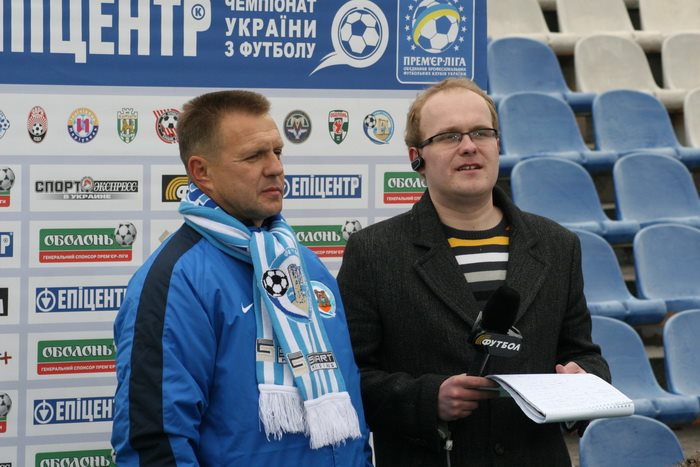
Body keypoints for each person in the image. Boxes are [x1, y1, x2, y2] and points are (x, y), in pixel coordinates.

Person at [337, 78, 611, 467]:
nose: (469, 146)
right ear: (416, 157)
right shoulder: (373, 252)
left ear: (497, 144)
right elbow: (349, 377)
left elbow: (582, 352)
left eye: (481, 132)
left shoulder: (557, 245)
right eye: (449, 136)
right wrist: (426, 399)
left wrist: (583, 379)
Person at [112, 90, 372, 466]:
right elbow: (156, 442)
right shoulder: (176, 281)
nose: (275, 168)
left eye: (277, 152)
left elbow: (349, 415)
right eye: (254, 156)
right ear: (201, 172)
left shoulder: (306, 266)